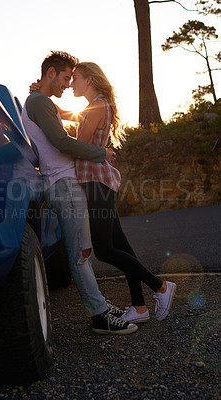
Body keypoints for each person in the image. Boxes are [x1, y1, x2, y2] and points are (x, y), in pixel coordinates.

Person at [30, 61, 176, 324]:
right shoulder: (93, 106)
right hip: (99, 182)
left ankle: (161, 287)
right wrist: (43, 100)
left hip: (98, 183)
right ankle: (140, 307)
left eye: (75, 78)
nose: (71, 83)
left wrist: (100, 152)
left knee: (105, 250)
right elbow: (67, 117)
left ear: (90, 80)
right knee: (122, 246)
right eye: (69, 78)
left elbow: (75, 146)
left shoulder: (96, 106)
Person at [22, 51, 137, 335]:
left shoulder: (41, 101)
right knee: (80, 253)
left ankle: (99, 305)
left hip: (66, 182)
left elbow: (61, 135)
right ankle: (99, 315)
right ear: (50, 74)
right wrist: (101, 152)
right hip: (62, 184)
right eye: (64, 78)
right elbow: (61, 142)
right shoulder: (38, 101)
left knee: (82, 250)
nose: (67, 84)